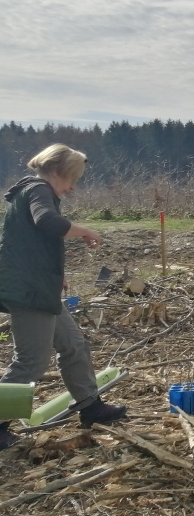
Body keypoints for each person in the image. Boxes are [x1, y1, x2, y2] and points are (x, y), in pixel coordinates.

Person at [0, 144, 126, 451]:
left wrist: (56, 275)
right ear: (58, 172)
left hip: (40, 285)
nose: (72, 187)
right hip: (28, 291)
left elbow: (32, 242)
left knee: (73, 343)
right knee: (31, 360)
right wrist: (85, 231)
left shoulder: (30, 191)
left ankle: (90, 406)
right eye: (72, 179)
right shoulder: (39, 190)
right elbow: (48, 223)